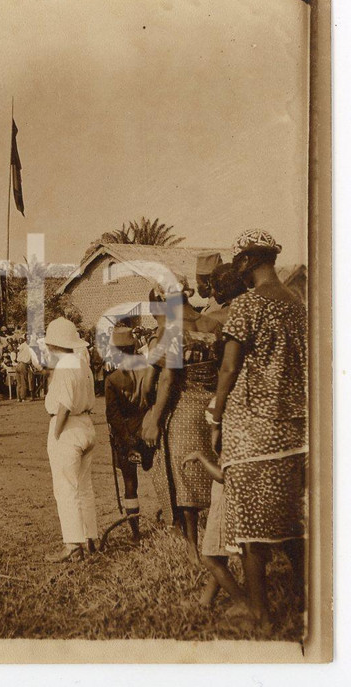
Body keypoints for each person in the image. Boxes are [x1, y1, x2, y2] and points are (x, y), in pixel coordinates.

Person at [208, 229, 307, 632]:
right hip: (294, 434)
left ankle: (261, 616)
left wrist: (216, 414)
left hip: (252, 434)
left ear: (247, 263)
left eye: (240, 265)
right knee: (290, 526)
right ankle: (305, 604)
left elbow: (229, 368)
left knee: (251, 533)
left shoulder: (248, 305)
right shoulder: (298, 305)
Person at [141, 275, 221, 565]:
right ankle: (219, 539)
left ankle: (194, 550)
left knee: (185, 478)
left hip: (184, 408)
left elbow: (167, 378)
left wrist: (154, 417)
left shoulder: (171, 330)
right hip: (212, 407)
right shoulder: (212, 323)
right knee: (212, 474)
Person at [42, 317, 98, 562]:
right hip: (86, 424)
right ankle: (90, 538)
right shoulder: (81, 363)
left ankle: (73, 543)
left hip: (68, 426)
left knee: (65, 488)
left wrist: (56, 434)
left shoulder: (64, 366)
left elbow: (64, 405)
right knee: (83, 487)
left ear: (54, 345)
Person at [104, 326, 153, 542]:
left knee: (130, 483)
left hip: (126, 435)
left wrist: (127, 439)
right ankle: (174, 521)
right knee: (160, 475)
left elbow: (113, 416)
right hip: (148, 429)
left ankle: (135, 532)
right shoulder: (150, 370)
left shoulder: (112, 379)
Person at [183, 444, 244, 610]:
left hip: (225, 502)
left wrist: (201, 457)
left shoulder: (231, 435)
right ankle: (206, 600)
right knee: (219, 555)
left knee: (210, 558)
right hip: (230, 498)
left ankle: (242, 603)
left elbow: (222, 475)